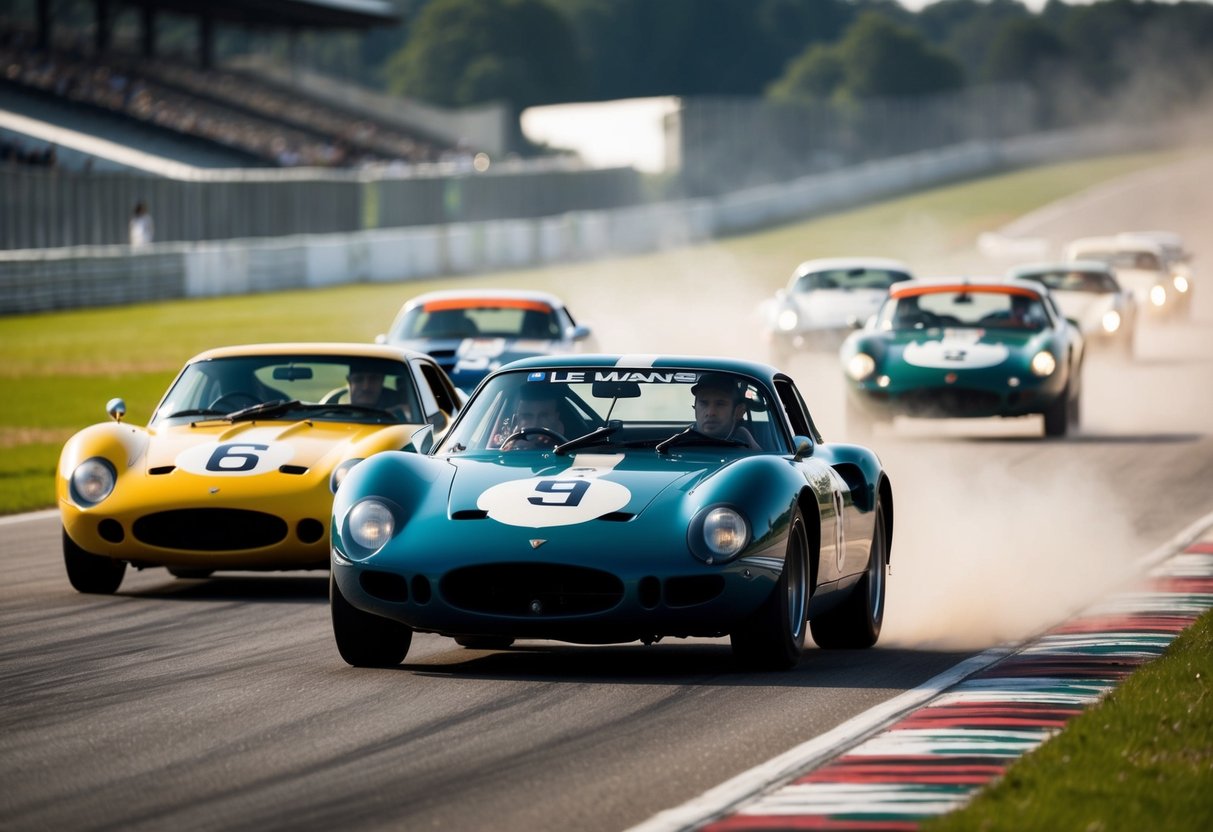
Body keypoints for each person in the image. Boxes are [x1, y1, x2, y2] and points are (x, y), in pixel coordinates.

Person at [691, 373, 760, 449]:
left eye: (720, 404)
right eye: (704, 403)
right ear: (695, 408)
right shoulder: (680, 443)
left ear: (739, 412)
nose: (710, 413)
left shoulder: (746, 444)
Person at [495, 384, 566, 450]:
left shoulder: (572, 450)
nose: (535, 424)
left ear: (555, 418)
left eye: (544, 416)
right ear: (516, 419)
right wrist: (515, 445)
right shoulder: (502, 446)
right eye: (527, 416)